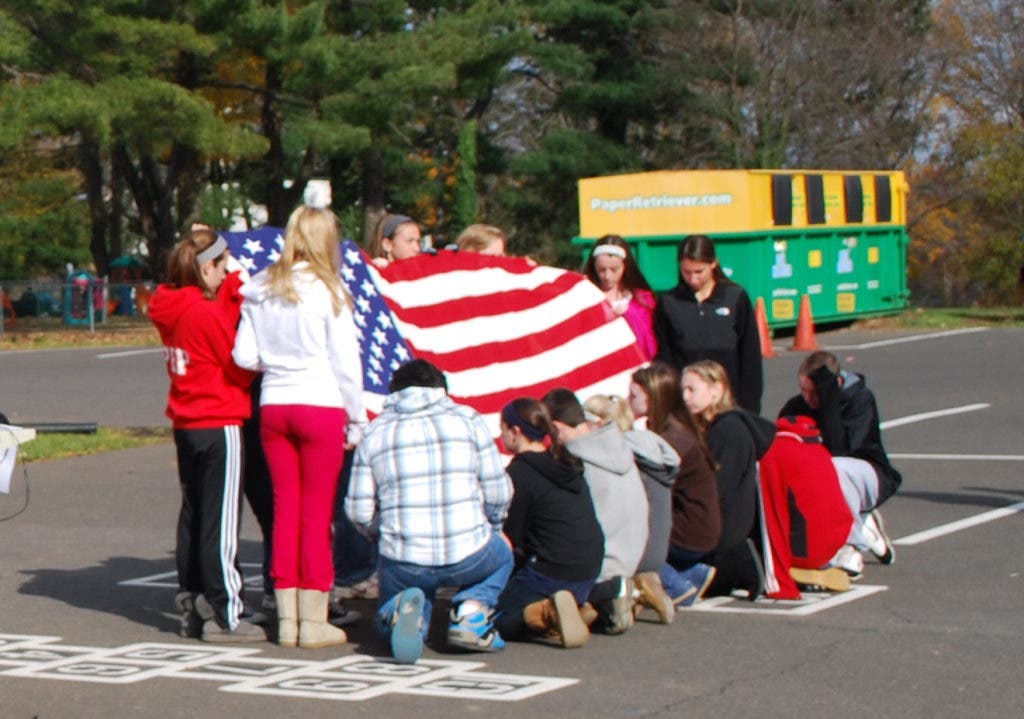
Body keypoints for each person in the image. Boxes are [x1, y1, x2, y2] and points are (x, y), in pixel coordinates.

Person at [232, 181, 367, 649]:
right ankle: (314, 618)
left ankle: (287, 617)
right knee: (316, 514)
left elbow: (245, 357)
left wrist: (279, 359)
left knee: (284, 510)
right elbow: (347, 366)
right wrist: (358, 417)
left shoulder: (261, 289)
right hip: (321, 404)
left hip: (274, 405)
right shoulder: (330, 293)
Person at [345, 359, 514, 664]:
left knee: (405, 595)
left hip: (405, 558)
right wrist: (494, 525)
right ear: (442, 390)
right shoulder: (469, 419)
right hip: (470, 552)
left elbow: (358, 510)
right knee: (502, 556)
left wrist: (376, 534)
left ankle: (401, 615)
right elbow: (498, 490)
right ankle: (471, 613)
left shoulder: (375, 431)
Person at [148, 227, 264, 643]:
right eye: (222, 265)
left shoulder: (171, 306)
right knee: (220, 520)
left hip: (187, 420)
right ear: (207, 267)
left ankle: (193, 595)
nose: (225, 273)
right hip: (220, 419)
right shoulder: (204, 313)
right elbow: (239, 364)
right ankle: (225, 611)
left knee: (195, 513)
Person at [494, 397, 604, 648]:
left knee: (492, 618)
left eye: (502, 430)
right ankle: (576, 606)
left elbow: (513, 539)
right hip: (590, 565)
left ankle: (547, 612)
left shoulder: (520, 473)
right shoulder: (567, 463)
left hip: (552, 570)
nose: (501, 438)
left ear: (515, 431)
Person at [778, 350, 900, 567]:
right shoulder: (796, 406)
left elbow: (840, 449)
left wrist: (829, 402)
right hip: (831, 482)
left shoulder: (859, 399)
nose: (808, 398)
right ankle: (861, 524)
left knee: (835, 466)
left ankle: (848, 544)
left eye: (814, 391)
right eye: (803, 390)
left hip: (871, 474)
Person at [542, 388, 648, 634]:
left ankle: (602, 594)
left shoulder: (575, 461)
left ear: (557, 427)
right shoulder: (618, 448)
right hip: (633, 554)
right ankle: (611, 598)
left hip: (600, 563)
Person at [628, 362, 722, 606]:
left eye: (634, 396)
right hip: (697, 522)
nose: (628, 400)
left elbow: (643, 482)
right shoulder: (668, 428)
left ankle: (674, 584)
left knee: (628, 536)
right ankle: (691, 573)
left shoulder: (673, 438)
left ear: (653, 399)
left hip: (691, 527)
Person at [682, 360, 775, 599]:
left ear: (717, 390)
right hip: (719, 530)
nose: (685, 396)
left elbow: (719, 488)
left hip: (726, 534)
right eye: (683, 390)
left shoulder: (729, 431)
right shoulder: (711, 427)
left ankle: (741, 566)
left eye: (692, 389)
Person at [582, 393, 679, 624]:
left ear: (600, 423)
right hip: (659, 551)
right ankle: (643, 586)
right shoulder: (652, 449)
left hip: (632, 553)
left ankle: (618, 594)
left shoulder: (616, 456)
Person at [654, 234, 763, 414]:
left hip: (728, 401)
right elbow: (665, 356)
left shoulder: (735, 297)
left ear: (714, 264)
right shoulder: (669, 302)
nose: (693, 279)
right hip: (686, 405)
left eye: (699, 272)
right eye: (686, 272)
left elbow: (750, 356)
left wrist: (750, 409)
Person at [583, 235, 657, 360]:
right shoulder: (586, 294)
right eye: (601, 269)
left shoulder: (642, 299)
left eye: (614, 269)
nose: (607, 276)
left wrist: (629, 313)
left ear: (625, 267)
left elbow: (650, 342)